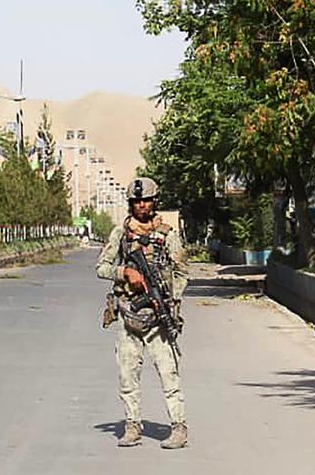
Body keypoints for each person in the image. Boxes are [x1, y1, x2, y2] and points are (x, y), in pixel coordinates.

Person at [95, 177, 189, 449]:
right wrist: (124, 272)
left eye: (146, 200)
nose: (142, 206)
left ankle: (179, 427)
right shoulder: (120, 235)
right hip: (128, 314)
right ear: (131, 204)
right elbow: (101, 267)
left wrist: (172, 300)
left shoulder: (167, 234)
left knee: (169, 374)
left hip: (158, 318)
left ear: (154, 202)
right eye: (137, 201)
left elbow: (182, 271)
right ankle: (132, 425)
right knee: (127, 375)